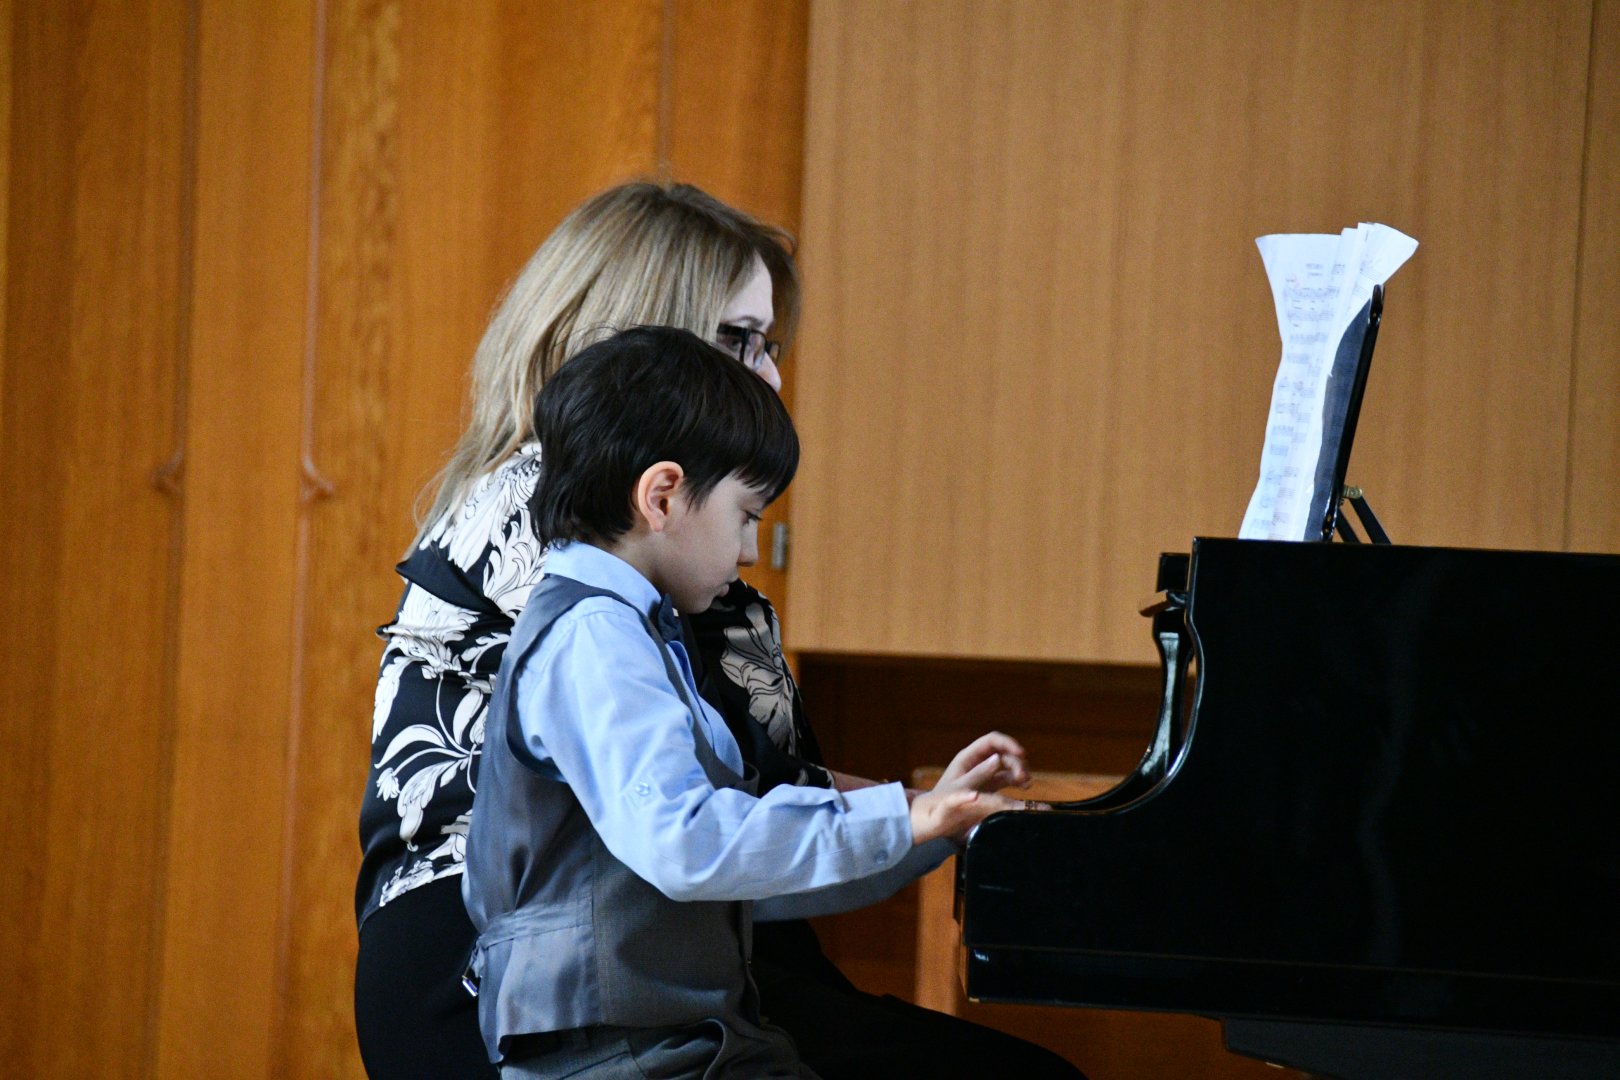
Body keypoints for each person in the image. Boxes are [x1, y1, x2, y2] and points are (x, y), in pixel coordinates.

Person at [355, 180, 1085, 1078]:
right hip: (516, 977)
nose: (768, 376)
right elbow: (700, 813)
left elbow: (735, 782)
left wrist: (935, 817)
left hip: (646, 931)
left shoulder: (630, 512)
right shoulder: (564, 515)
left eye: (770, 345)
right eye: (738, 339)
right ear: (638, 347)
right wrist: (923, 816)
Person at [463, 326, 1029, 1078]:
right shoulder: (594, 635)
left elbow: (746, 880)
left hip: (667, 1040)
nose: (752, 551)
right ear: (662, 496)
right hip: (616, 1054)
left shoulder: (634, 630)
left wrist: (931, 823)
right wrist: (906, 819)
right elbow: (687, 845)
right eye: (747, 515)